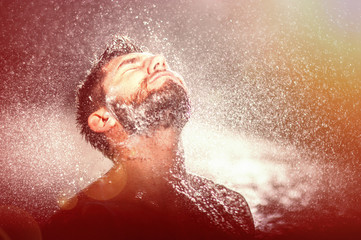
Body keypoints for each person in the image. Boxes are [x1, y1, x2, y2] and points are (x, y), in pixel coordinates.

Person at [42, 36, 255, 239]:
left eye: (162, 62)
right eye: (131, 66)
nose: (160, 61)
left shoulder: (231, 207)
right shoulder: (81, 225)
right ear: (104, 119)